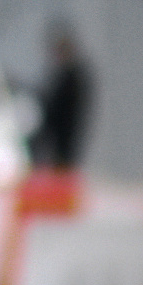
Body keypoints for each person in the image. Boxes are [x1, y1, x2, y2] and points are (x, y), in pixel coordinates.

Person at [26, 22, 92, 179]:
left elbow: (61, 109)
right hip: (59, 138)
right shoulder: (65, 74)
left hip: (63, 138)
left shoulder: (71, 76)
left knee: (61, 172)